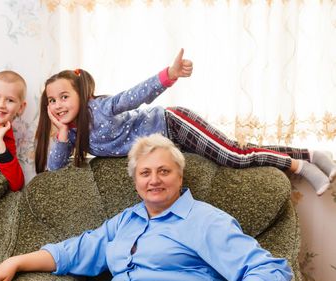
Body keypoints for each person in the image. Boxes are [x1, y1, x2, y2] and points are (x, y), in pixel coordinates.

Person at [0, 133, 292, 281]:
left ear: (180, 177)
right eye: (145, 172)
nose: (154, 179)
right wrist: (17, 261)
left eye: (163, 171)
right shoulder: (128, 220)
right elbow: (76, 251)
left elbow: (269, 269)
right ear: (135, 181)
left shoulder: (204, 220)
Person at [34, 49, 336, 195]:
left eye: (64, 97)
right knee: (239, 149)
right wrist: (60, 133)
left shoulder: (99, 108)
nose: (58, 105)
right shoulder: (72, 136)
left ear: (81, 94)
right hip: (170, 142)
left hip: (173, 124)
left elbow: (135, 95)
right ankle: (311, 154)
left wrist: (169, 74)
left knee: (233, 156)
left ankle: (301, 167)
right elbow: (55, 173)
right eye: (51, 101)